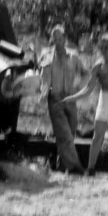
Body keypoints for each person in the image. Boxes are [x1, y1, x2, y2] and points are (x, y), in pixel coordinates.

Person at [61, 32, 108, 176]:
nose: (103, 50)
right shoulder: (98, 66)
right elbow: (88, 88)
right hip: (105, 100)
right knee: (98, 136)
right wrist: (72, 98)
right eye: (101, 47)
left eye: (106, 47)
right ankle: (91, 169)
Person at [39, 25, 87, 174]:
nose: (58, 41)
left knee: (69, 135)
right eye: (55, 38)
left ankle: (61, 165)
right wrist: (43, 94)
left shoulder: (73, 56)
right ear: (52, 40)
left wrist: (79, 88)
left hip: (71, 99)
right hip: (55, 100)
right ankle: (75, 167)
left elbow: (85, 73)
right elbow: (42, 78)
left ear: (65, 39)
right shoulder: (46, 56)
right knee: (65, 135)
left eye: (60, 38)